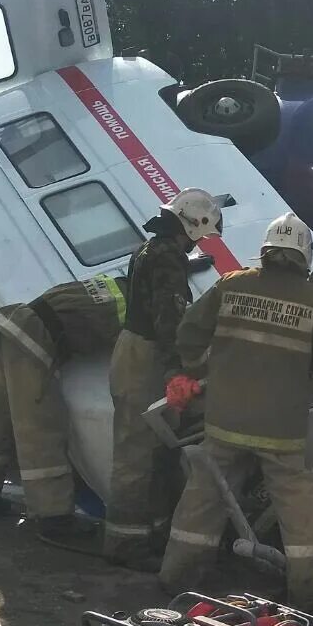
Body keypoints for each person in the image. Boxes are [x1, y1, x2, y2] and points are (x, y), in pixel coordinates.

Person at [159, 213, 313, 609]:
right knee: (297, 509)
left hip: (224, 419)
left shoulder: (232, 285)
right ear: (305, 256)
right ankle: (306, 593)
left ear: (266, 248)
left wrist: (195, 371)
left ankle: (177, 576)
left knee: (204, 496)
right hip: (281, 430)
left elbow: (189, 331)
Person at [105, 188, 222, 569]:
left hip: (134, 349)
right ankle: (125, 545)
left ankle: (152, 533)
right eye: (199, 236)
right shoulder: (168, 259)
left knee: (155, 451)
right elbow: (168, 319)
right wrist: (177, 370)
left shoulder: (148, 249)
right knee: (137, 453)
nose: (197, 244)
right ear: (191, 225)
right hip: (146, 356)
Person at [0, 273, 128, 535]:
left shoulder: (111, 284)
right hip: (33, 339)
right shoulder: (138, 307)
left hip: (12, 327)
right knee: (40, 429)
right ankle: (53, 516)